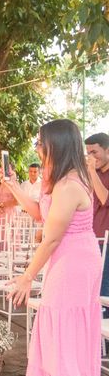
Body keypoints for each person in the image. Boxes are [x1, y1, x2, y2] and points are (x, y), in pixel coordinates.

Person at [5, 119, 101, 376]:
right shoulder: (58, 181)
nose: (37, 147)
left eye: (40, 142)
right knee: (56, 342)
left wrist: (26, 276)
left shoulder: (71, 185)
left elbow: (52, 237)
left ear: (55, 145)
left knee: (62, 346)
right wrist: (15, 188)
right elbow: (41, 215)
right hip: (63, 259)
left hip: (73, 263)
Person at [84, 132, 109, 318]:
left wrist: (91, 171)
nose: (92, 157)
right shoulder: (93, 174)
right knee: (93, 291)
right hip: (92, 239)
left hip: (106, 242)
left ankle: (104, 344)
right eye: (88, 153)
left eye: (95, 152)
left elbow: (105, 198)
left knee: (105, 292)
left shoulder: (96, 174)